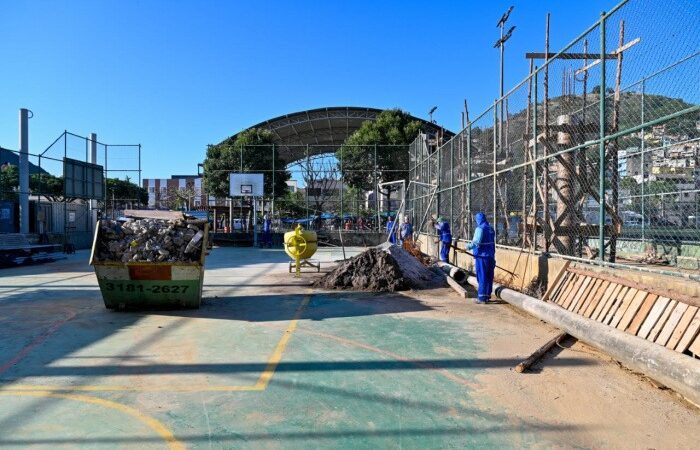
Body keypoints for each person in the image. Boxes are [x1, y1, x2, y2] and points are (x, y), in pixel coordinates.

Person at [466, 212, 496, 304]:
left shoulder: (480, 228)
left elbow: (476, 242)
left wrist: (467, 247)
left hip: (482, 256)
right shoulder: (491, 229)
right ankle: (487, 295)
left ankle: (482, 298)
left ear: (478, 220)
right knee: (489, 276)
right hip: (490, 256)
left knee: (482, 276)